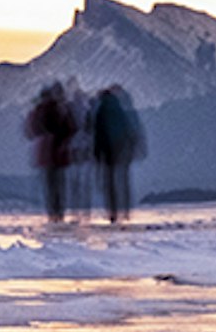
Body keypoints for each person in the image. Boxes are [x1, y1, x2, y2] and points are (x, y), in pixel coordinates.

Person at [25, 79, 85, 224]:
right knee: (59, 184)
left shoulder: (39, 110)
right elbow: (73, 128)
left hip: (45, 153)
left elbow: (31, 131)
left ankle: (53, 213)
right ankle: (59, 212)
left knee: (50, 184)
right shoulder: (62, 109)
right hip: (60, 153)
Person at [87, 82, 146, 224]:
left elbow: (99, 134)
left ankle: (112, 212)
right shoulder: (120, 109)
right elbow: (130, 130)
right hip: (122, 149)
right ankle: (125, 210)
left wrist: (96, 152)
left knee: (109, 182)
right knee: (123, 180)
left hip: (107, 151)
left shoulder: (101, 111)